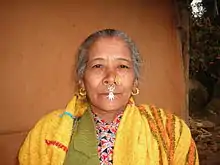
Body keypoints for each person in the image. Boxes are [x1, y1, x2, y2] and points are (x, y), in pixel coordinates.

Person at [19, 29, 199, 165]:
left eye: (122, 66)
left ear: (135, 81)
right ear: (82, 81)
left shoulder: (171, 132)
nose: (111, 77)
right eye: (98, 66)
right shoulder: (47, 133)